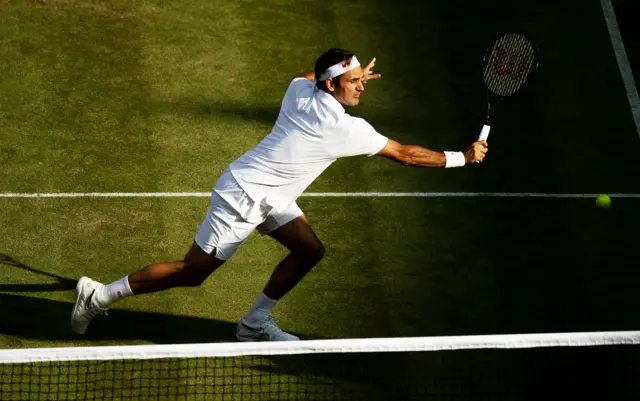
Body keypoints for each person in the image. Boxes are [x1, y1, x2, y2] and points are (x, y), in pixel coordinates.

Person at [71, 48, 488, 341]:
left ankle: (253, 324)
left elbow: (309, 74)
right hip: (243, 197)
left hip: (274, 195)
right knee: (192, 273)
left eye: (363, 79)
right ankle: (99, 295)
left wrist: (349, 69)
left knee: (309, 251)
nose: (362, 87)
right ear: (330, 86)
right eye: (355, 82)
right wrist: (462, 158)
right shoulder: (345, 128)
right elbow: (405, 155)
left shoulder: (299, 91)